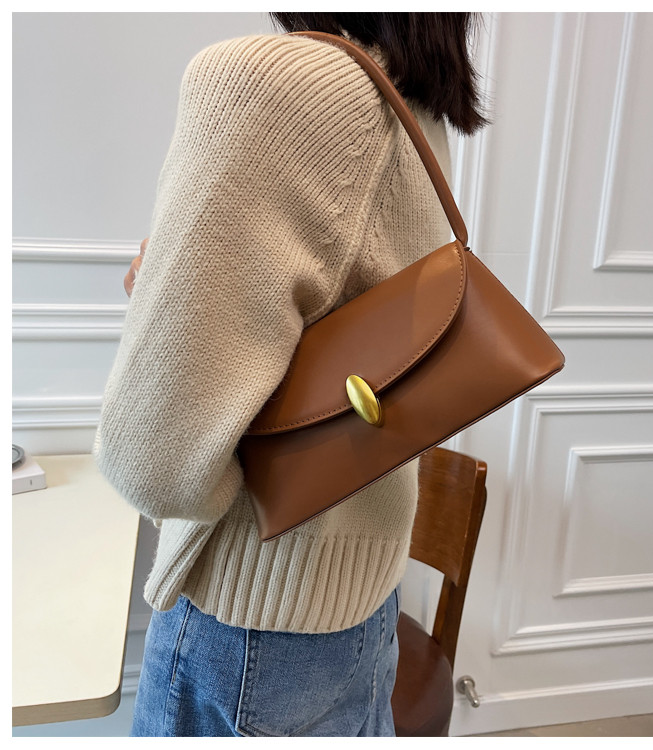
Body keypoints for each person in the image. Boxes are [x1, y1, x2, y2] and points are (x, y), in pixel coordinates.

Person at [94, 12, 488, 737]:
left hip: (249, 623)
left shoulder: (271, 83)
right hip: (363, 607)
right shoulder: (414, 107)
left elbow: (152, 463)